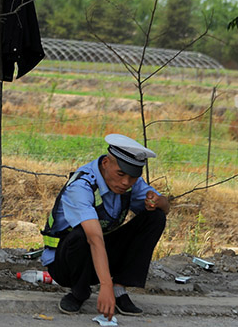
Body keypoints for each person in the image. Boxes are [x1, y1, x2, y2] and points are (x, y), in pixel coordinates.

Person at [40, 134, 170, 320]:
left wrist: (158, 201)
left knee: (155, 218)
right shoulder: (81, 186)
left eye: (133, 177)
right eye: (121, 174)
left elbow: (166, 208)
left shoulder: (130, 182)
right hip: (66, 262)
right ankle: (78, 292)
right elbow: (94, 238)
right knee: (81, 234)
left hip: (98, 258)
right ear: (106, 163)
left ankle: (119, 290)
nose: (126, 182)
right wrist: (105, 285)